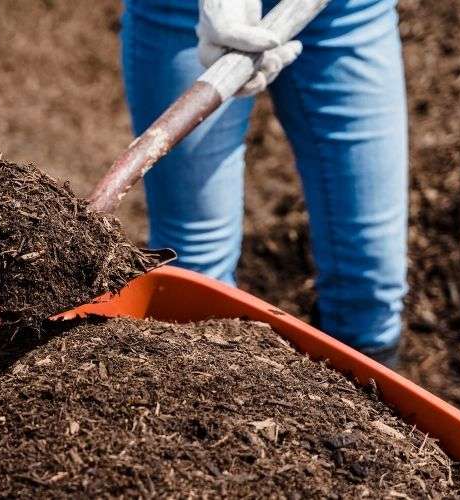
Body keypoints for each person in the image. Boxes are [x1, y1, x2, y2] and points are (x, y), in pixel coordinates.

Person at [121, 0, 408, 366]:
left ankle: (369, 406)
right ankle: (203, 404)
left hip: (343, 12)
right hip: (188, 15)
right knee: (194, 270)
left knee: (371, 277)